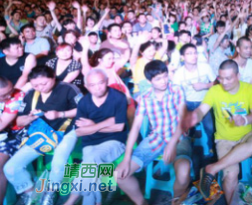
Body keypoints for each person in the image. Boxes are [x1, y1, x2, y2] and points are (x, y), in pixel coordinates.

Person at [182, 60, 252, 203]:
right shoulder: (214, 91)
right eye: (220, 78)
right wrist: (193, 118)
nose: (223, 82)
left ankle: (212, 168)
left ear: (238, 75)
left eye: (228, 78)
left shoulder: (250, 89)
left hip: (245, 136)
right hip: (224, 139)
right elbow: (201, 110)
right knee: (231, 175)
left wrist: (244, 120)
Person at [116, 60, 192, 205]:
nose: (164, 81)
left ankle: (175, 200)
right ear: (150, 81)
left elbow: (183, 120)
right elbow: (135, 128)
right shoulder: (145, 97)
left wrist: (171, 144)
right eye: (158, 79)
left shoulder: (177, 90)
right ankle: (141, 203)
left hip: (178, 137)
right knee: (120, 175)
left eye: (165, 76)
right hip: (156, 139)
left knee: (183, 173)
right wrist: (127, 158)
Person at [5, 66, 81, 205]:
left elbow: (83, 108)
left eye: (44, 83)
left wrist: (60, 114)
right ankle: (30, 193)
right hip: (41, 135)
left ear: (53, 77)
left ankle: (50, 192)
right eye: (36, 85)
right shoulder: (30, 94)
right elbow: (19, 120)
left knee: (58, 163)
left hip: (67, 131)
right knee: (11, 167)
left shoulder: (68, 89)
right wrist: (29, 118)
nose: (40, 87)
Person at [64, 68, 128, 205]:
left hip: (114, 141)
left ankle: (70, 201)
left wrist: (92, 126)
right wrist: (104, 123)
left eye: (101, 83)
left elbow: (119, 127)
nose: (98, 88)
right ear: (86, 86)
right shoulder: (84, 102)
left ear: (106, 82)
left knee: (90, 161)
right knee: (91, 167)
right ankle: (96, 202)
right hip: (90, 143)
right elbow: (79, 132)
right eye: (92, 85)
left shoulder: (118, 98)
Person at [173, 43, 216, 155]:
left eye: (195, 53)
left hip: (204, 102)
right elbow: (176, 95)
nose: (194, 56)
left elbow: (216, 83)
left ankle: (211, 147)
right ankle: (187, 147)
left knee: (210, 127)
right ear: (182, 57)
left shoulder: (205, 67)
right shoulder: (178, 74)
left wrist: (204, 86)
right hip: (188, 103)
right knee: (184, 127)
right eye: (189, 53)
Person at [0, 76, 25, 204]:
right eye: (4, 95)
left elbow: (2, 124)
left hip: (12, 136)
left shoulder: (17, 96)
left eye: (11, 90)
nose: (10, 95)